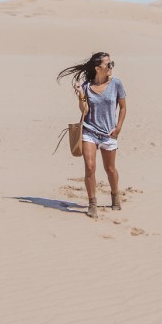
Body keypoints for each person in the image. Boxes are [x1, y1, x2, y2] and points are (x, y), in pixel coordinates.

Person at [56, 52, 127, 218]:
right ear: (97, 68)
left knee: (110, 169)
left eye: (112, 64)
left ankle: (115, 195)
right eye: (108, 64)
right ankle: (92, 203)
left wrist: (118, 128)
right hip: (90, 131)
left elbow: (123, 107)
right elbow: (85, 110)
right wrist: (80, 94)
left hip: (109, 134)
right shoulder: (87, 86)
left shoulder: (117, 84)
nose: (111, 67)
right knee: (90, 167)